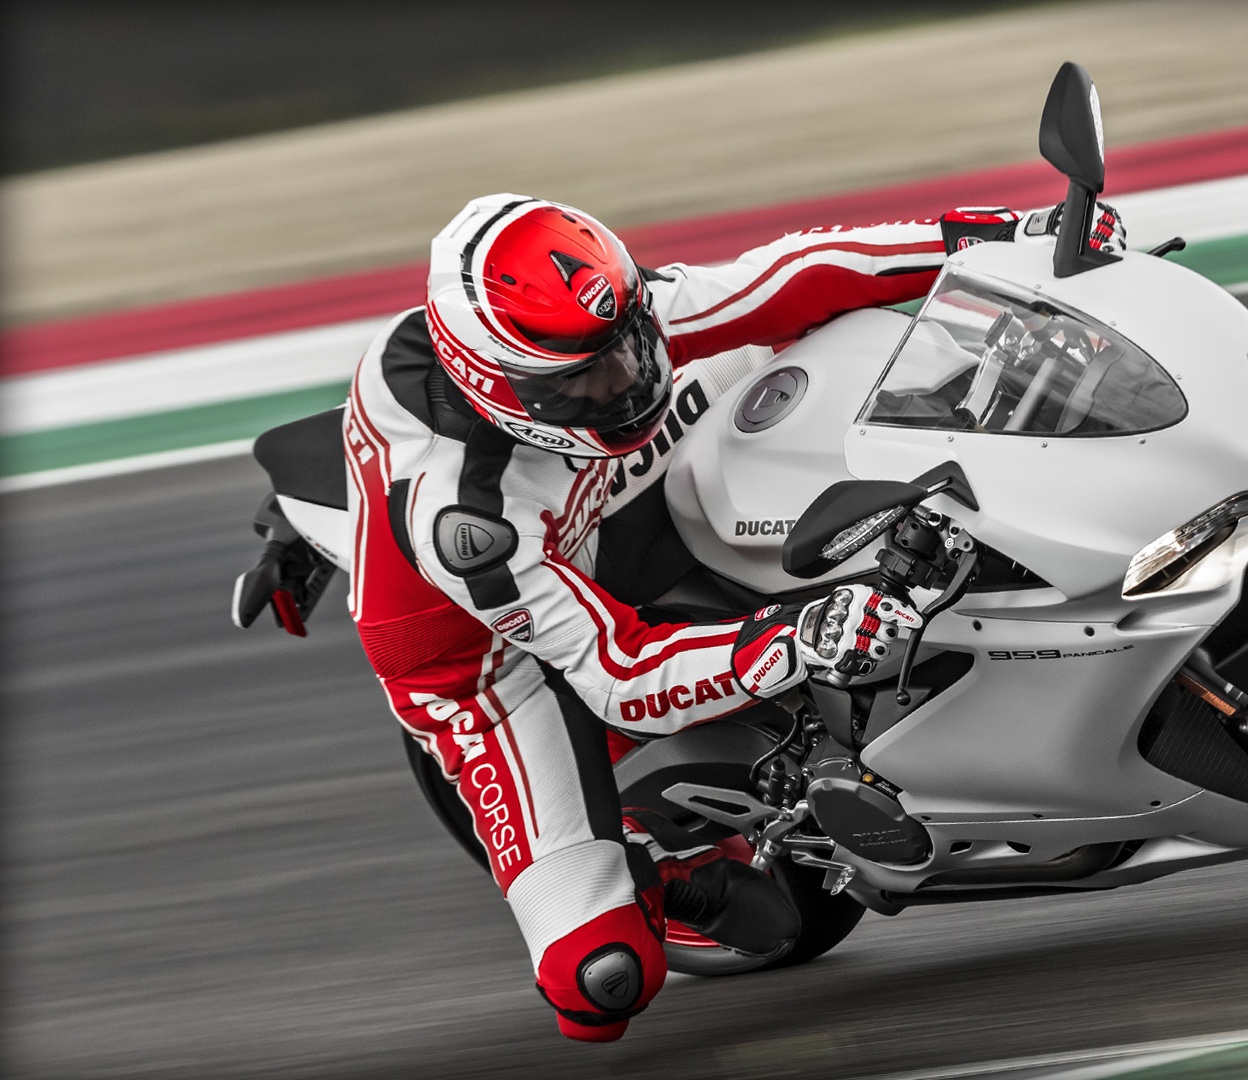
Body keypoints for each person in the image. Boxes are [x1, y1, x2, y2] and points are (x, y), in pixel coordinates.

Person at [327, 193, 1124, 1041]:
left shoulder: (578, 337)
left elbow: (782, 278)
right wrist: (800, 639)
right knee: (599, 980)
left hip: (604, 502)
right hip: (497, 665)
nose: (623, 382)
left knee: (817, 337)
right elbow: (619, 676)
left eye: (627, 343)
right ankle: (656, 863)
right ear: (503, 390)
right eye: (580, 381)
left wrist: (997, 236)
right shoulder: (464, 518)